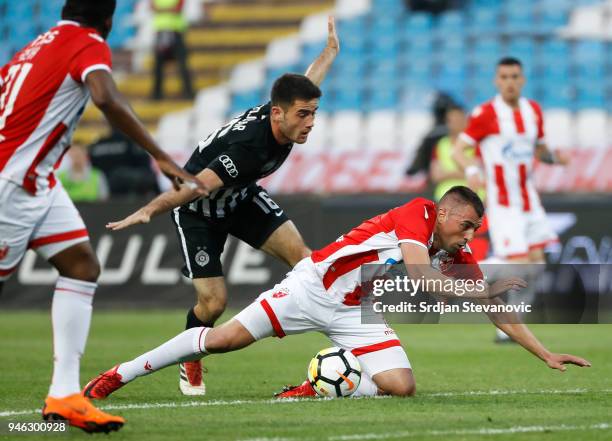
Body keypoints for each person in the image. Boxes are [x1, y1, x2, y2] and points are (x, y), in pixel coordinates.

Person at [83, 187, 590, 402]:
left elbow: (492, 309)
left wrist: (545, 353)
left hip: (354, 313)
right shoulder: (415, 212)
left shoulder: (457, 254)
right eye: (467, 225)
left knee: (401, 386)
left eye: (476, 230)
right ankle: (115, 376)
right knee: (221, 341)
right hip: (309, 287)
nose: (470, 236)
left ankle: (322, 386)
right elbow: (417, 272)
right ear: (443, 212)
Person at [105, 16, 340, 396]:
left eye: (313, 113)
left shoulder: (283, 113)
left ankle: (344, 339)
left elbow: (304, 87)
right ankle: (189, 356)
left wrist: (328, 53)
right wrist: (151, 209)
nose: (311, 122)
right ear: (278, 115)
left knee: (306, 261)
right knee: (213, 303)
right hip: (200, 211)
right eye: (304, 114)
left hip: (241, 198)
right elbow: (196, 187)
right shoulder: (249, 147)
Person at [0, 0, 204, 433]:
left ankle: (65, 395)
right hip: (12, 184)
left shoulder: (37, 45)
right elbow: (105, 96)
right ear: (108, 20)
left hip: (39, 178)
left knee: (81, 266)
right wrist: (163, 158)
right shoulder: (87, 41)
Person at [452, 57, 570, 342]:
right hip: (504, 204)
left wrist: (556, 158)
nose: (509, 82)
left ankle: (507, 329)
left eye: (514, 76)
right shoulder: (486, 113)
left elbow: (540, 151)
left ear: (523, 79)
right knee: (518, 264)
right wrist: (471, 170)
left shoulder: (533, 112)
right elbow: (459, 149)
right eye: (504, 77)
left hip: (530, 201)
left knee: (537, 266)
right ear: (496, 81)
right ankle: (459, 273)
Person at [88, 127, 161, 198]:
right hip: (131, 196)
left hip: (103, 195)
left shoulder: (96, 145)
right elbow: (147, 172)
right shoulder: (133, 143)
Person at [150, 0, 194, 100]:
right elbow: (153, 8)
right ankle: (157, 94)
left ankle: (188, 93)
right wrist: (169, 10)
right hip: (162, 32)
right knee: (158, 66)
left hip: (175, 32)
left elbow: (178, 9)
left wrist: (161, 10)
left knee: (182, 64)